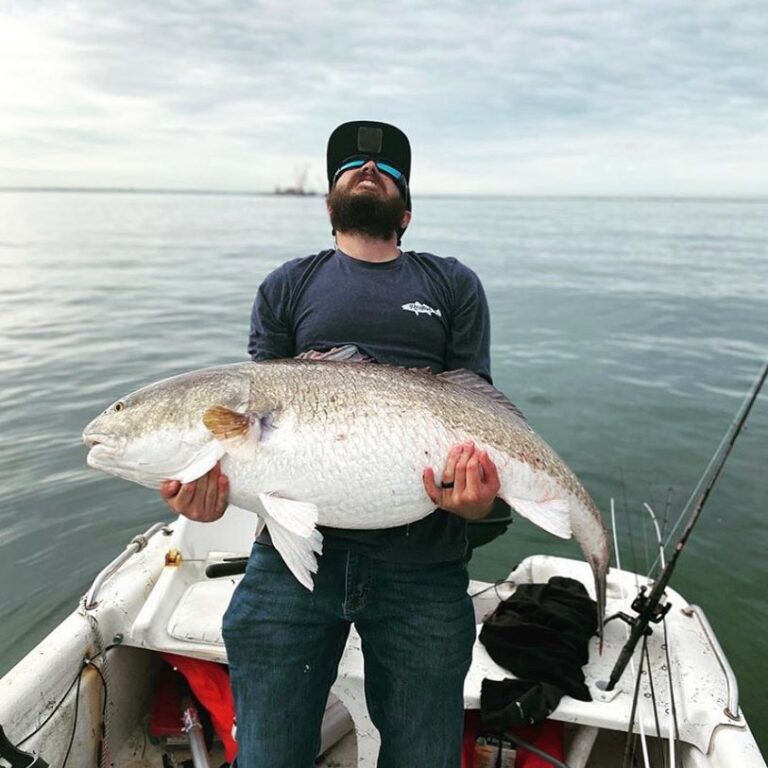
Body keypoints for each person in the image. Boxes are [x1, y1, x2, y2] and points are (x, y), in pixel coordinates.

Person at [160, 121, 502, 768]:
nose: (367, 167)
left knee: (426, 757)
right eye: (349, 164)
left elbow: (477, 413)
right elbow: (256, 432)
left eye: (385, 167)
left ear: (405, 210)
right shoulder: (286, 287)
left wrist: (478, 502)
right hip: (289, 559)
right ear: (328, 204)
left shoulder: (452, 285)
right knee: (267, 755)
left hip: (423, 565)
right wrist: (212, 494)